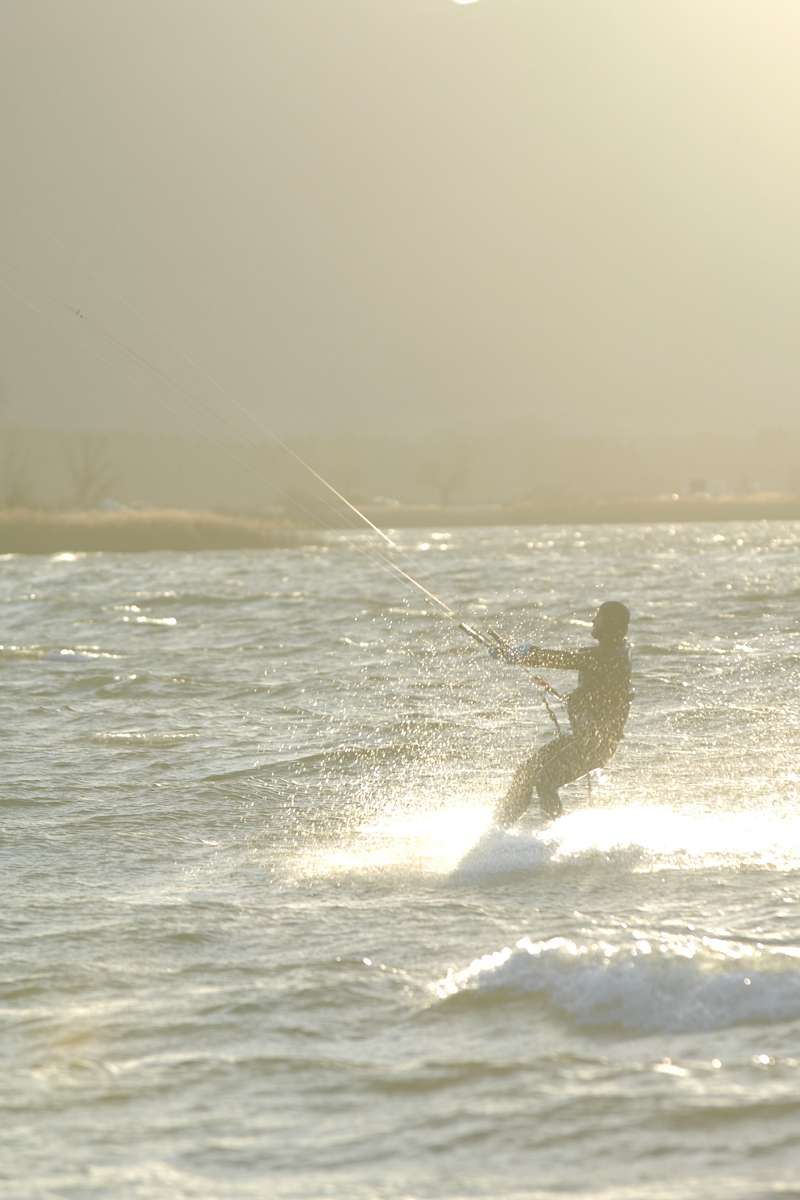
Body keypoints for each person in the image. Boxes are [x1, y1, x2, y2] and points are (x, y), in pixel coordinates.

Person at [492, 600, 632, 825]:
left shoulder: (609, 656)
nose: (593, 620)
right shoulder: (612, 652)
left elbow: (567, 660)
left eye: (599, 617)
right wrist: (517, 655)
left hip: (596, 743)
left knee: (545, 781)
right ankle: (497, 830)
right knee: (525, 773)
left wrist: (525, 654)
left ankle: (555, 837)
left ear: (611, 624)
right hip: (585, 739)